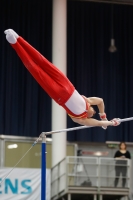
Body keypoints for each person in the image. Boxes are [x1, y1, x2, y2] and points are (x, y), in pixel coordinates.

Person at [4, 29, 120, 128]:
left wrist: (108, 123)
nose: (93, 111)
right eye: (94, 110)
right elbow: (100, 101)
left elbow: (96, 123)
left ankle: (14, 43)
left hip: (59, 95)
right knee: (43, 62)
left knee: (35, 70)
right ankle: (19, 38)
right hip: (67, 84)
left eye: (93, 113)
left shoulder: (80, 119)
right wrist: (103, 115)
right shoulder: (88, 101)